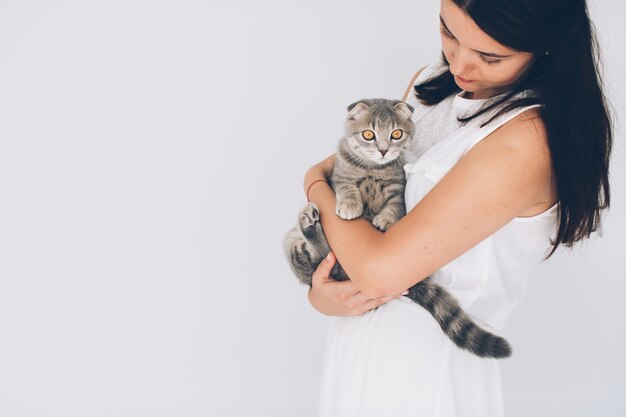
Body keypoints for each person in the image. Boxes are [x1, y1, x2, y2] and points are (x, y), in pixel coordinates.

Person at [302, 0, 613, 416]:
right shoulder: (427, 87)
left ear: (545, 47)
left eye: (490, 56)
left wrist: (313, 185)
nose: (460, 64)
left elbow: (378, 268)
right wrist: (324, 296)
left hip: (427, 371)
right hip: (355, 349)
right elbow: (349, 175)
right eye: (449, 33)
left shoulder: (526, 140)